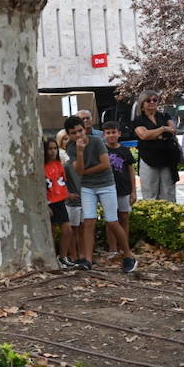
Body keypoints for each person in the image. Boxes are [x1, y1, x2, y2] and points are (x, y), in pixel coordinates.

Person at [68, 115, 136, 273]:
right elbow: (77, 171)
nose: (78, 135)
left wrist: (84, 171)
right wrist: (79, 152)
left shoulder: (97, 141)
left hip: (106, 184)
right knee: (89, 222)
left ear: (84, 129)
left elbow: (105, 165)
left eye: (80, 131)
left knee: (112, 220)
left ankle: (128, 255)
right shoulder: (72, 147)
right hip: (87, 187)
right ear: (69, 134)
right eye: (74, 133)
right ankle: (88, 259)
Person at [133, 92, 180, 202]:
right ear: (142, 103)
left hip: (167, 158)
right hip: (148, 158)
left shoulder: (165, 116)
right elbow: (143, 135)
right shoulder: (139, 119)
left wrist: (153, 134)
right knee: (150, 193)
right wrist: (163, 129)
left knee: (168, 192)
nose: (152, 102)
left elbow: (173, 130)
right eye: (148, 100)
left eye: (155, 100)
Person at [44, 137, 75, 268]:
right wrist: (46, 204)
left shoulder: (59, 164)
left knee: (67, 230)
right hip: (49, 203)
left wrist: (68, 194)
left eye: (55, 148)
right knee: (51, 232)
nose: (53, 151)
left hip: (60, 202)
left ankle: (63, 257)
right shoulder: (42, 166)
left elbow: (61, 183)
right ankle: (51, 258)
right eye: (50, 149)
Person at [103, 122, 138, 238]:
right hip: (108, 189)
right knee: (111, 219)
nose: (111, 135)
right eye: (108, 133)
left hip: (124, 189)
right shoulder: (102, 151)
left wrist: (134, 191)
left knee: (124, 217)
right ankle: (112, 249)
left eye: (114, 132)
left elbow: (131, 171)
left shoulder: (125, 150)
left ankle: (124, 245)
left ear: (119, 134)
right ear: (104, 135)